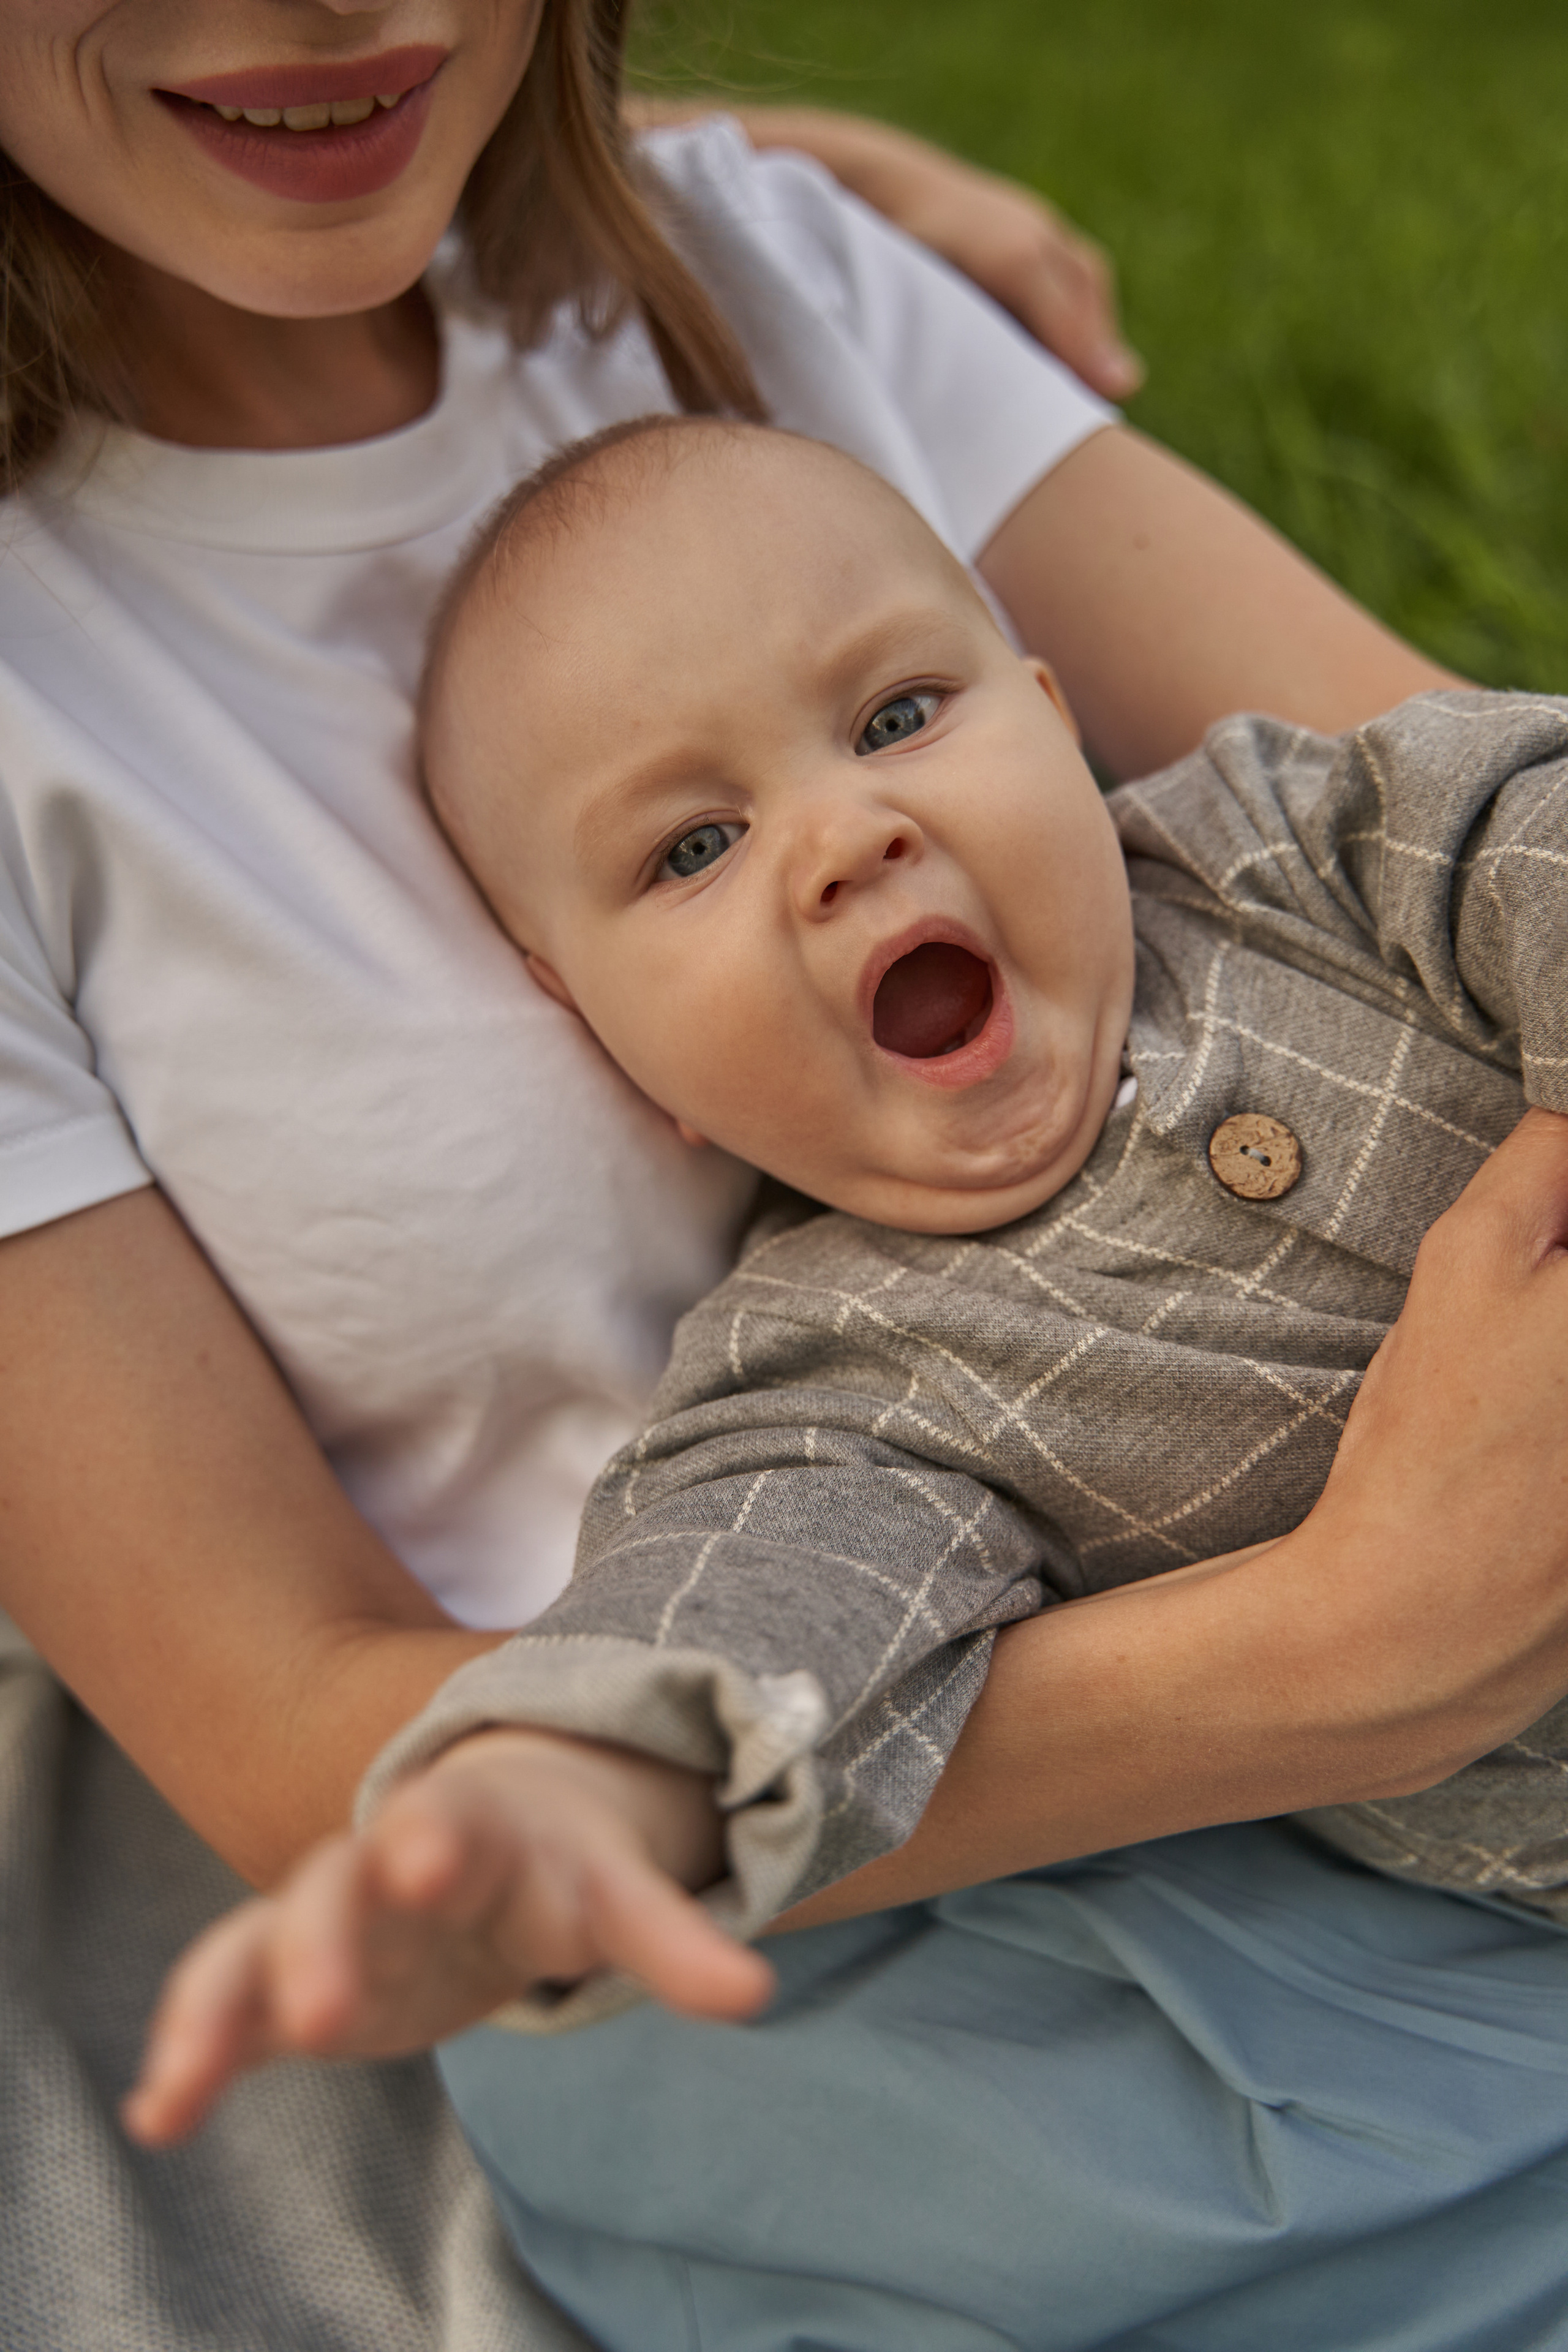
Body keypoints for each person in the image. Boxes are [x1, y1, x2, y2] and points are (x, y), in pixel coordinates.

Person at [0, 3, 1548, 2348]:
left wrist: (684, 156)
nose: (852, 836)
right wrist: (1361, 1649)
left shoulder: (1266, 838)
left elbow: (1480, 791)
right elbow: (727, 1618)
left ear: (1045, 702)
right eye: (695, 849)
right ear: (611, 1057)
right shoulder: (843, 1388)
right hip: (961, 1950)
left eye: (907, 715)